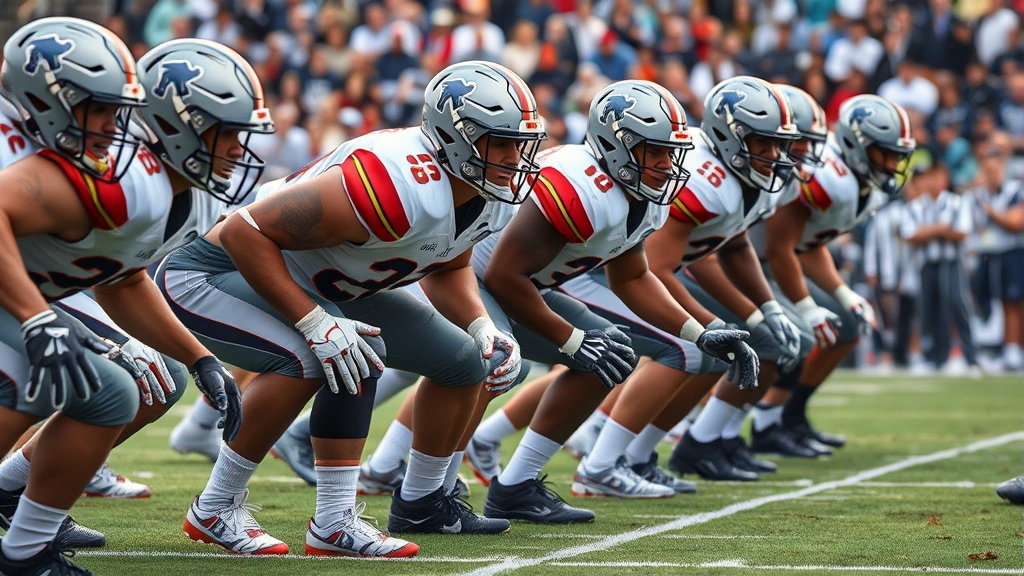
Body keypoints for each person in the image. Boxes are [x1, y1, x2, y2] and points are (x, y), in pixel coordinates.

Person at [159, 61, 545, 554]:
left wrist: (481, 323)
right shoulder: (392, 181)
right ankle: (228, 508)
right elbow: (243, 232)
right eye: (502, 143)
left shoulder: (489, 193)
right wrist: (314, 321)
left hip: (330, 289)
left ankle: (423, 502)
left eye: (521, 143)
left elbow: (450, 267)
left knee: (465, 363)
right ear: (456, 137)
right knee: (331, 354)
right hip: (215, 271)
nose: (516, 158)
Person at [364, 80, 759, 514]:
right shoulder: (581, 185)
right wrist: (570, 339)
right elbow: (504, 276)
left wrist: (700, 333)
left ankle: (516, 486)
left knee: (612, 352)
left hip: (521, 284)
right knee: (494, 360)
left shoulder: (645, 196)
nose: (668, 164)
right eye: (656, 152)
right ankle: (430, 491)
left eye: (672, 153)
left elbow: (633, 278)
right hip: (469, 279)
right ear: (618, 146)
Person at [0, 23, 256, 575]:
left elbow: (121, 276)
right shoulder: (123, 177)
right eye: (96, 110)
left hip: (25, 279)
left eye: (116, 111)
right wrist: (38, 320)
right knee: (40, 379)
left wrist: (199, 357)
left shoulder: (146, 179)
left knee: (113, 390)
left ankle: (24, 552)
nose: (110, 127)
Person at [750, 92, 916, 452]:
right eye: (884, 152)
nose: (892, 163)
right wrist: (807, 306)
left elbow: (809, 245)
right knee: (801, 328)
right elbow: (780, 249)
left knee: (849, 322)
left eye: (897, 155)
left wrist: (843, 293)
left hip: (777, 261)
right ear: (856, 145)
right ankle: (761, 422)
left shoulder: (862, 185)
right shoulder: (827, 175)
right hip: (746, 262)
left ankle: (790, 415)